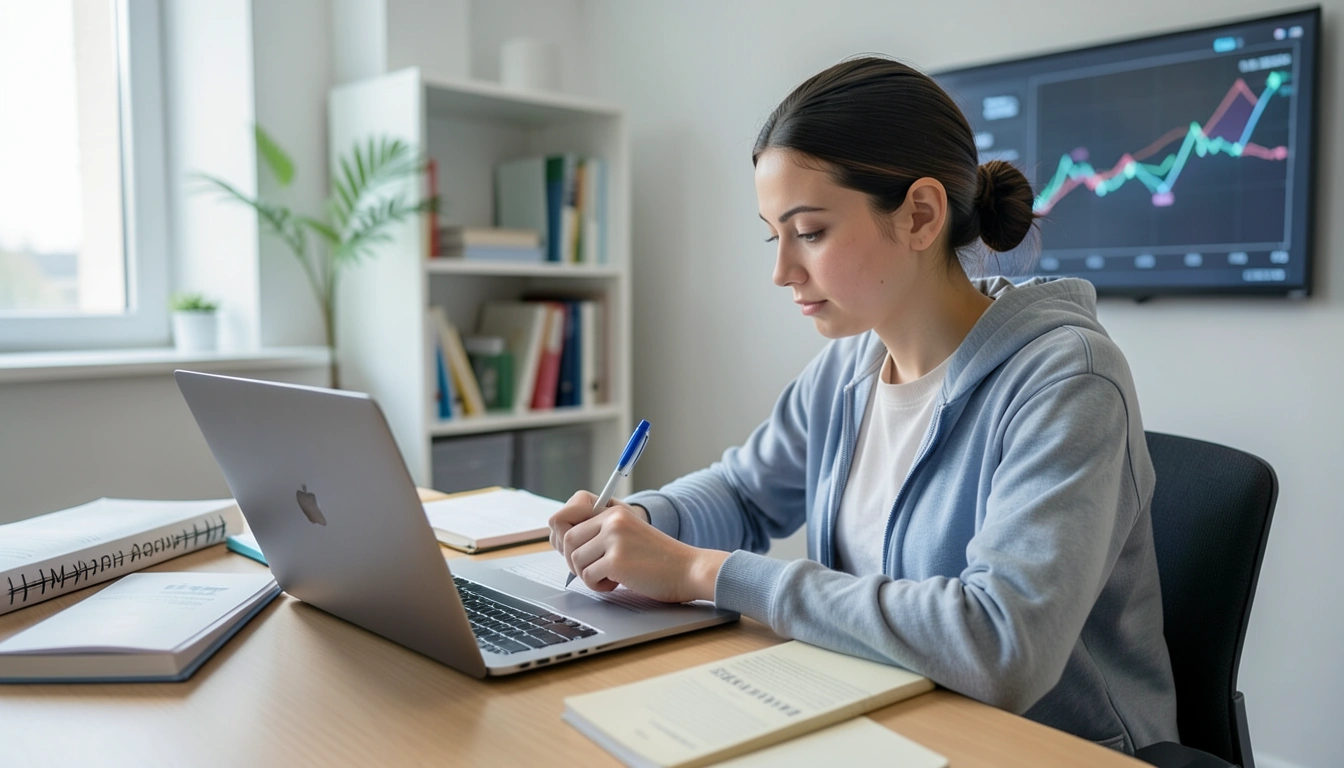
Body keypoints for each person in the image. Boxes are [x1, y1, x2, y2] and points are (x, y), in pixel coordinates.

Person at [548, 56, 1177, 754]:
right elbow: (747, 493)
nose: (782, 271)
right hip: (882, 718)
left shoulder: (1068, 380)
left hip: (1041, 747)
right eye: (773, 235)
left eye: (809, 232)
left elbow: (1001, 646)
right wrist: (636, 523)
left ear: (920, 215)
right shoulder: (849, 365)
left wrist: (702, 572)